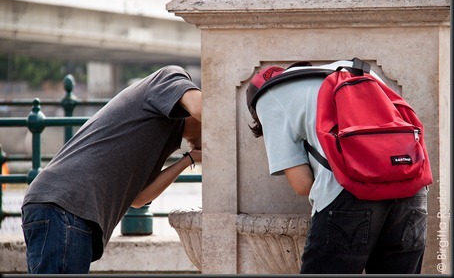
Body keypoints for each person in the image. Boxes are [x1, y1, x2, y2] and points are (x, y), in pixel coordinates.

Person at [245, 60, 428, 274]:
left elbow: (302, 184)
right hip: (411, 185)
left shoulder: (268, 96)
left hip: (349, 194)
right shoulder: (351, 69)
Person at [21, 65, 202, 274]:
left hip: (65, 210)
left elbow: (139, 199)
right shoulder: (170, 76)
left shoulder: (166, 135)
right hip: (65, 206)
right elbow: (200, 109)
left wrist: (188, 160)